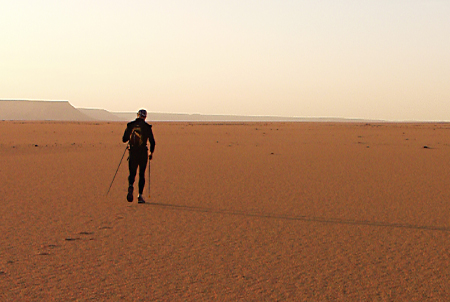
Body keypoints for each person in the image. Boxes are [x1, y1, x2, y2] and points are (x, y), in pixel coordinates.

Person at [122, 109, 156, 203]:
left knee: (132, 173)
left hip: (133, 152)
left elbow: (124, 139)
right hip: (142, 153)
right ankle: (140, 196)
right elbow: (152, 142)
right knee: (142, 174)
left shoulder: (130, 125)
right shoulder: (147, 127)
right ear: (145, 116)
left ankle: (130, 185)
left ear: (137, 115)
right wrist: (151, 153)